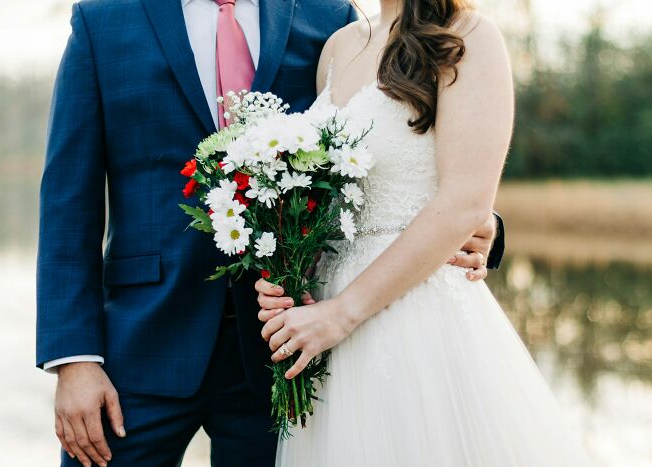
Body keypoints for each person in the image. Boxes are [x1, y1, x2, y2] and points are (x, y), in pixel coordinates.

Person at [36, 1, 503, 466]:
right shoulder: (103, 20)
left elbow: (382, 148)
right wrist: (74, 359)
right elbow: (67, 200)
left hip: (286, 355)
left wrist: (481, 223)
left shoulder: (328, 20)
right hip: (138, 349)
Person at [257, 1, 593, 465]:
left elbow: (466, 203)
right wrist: (290, 274)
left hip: (415, 316)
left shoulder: (468, 36)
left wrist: (343, 313)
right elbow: (328, 197)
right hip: (323, 321)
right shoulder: (339, 45)